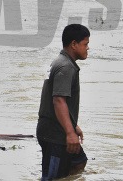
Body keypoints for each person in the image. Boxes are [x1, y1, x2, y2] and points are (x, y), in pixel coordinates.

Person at [37, 24, 90, 180]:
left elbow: (58, 100)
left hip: (57, 130)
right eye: (85, 44)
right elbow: (58, 101)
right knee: (52, 178)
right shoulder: (65, 67)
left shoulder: (60, 62)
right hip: (54, 135)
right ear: (74, 44)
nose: (88, 48)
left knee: (79, 161)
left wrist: (74, 126)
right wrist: (69, 133)